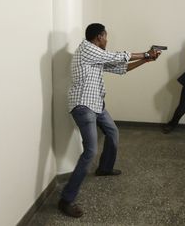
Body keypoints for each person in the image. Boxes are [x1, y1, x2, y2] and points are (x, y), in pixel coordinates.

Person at [58, 23, 161, 218]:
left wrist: (145, 61)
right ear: (99, 37)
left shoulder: (96, 55)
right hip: (83, 105)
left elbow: (120, 68)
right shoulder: (87, 49)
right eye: (106, 36)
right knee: (90, 151)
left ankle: (104, 168)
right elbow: (116, 56)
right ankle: (66, 200)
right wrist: (146, 54)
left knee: (113, 132)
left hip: (96, 103)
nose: (107, 40)